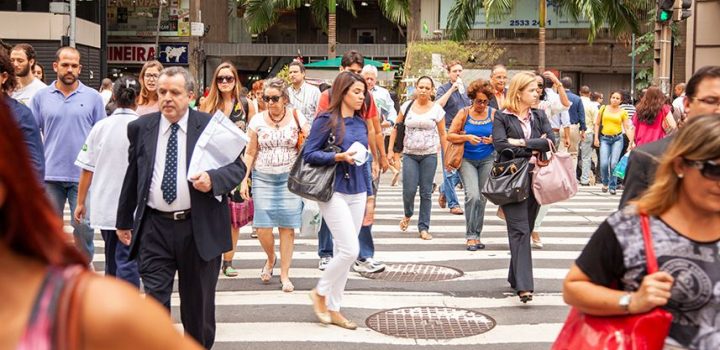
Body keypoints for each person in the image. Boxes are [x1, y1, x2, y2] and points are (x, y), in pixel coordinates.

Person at [0, 99, 202, 350]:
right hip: (119, 210)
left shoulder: (95, 312)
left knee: (120, 259)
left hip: (125, 211)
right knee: (120, 258)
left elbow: (90, 168)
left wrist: (84, 201)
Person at [562, 114, 720, 349]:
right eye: (712, 169)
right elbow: (573, 287)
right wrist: (632, 300)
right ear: (679, 165)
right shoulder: (632, 226)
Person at [116, 67, 245, 348]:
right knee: (154, 302)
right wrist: (123, 219)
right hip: (154, 228)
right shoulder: (141, 127)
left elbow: (237, 168)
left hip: (197, 229)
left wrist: (213, 180)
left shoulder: (210, 127)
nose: (167, 98)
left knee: (197, 309)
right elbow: (133, 174)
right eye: (162, 92)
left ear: (190, 95)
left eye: (174, 92)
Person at [305, 71, 374, 330]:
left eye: (363, 92)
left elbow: (366, 161)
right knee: (350, 250)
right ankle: (320, 292)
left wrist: (370, 196)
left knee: (342, 254)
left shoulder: (361, 123)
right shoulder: (326, 120)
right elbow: (309, 154)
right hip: (332, 190)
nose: (361, 96)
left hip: (357, 190)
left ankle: (334, 308)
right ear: (342, 92)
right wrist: (337, 157)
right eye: (356, 92)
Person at [31, 47, 106, 261]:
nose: (69, 69)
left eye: (74, 65)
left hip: (82, 176)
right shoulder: (41, 97)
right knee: (49, 228)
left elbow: (100, 136)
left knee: (84, 227)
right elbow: (32, 133)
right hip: (50, 175)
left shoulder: (93, 98)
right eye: (65, 64)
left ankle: (83, 265)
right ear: (55, 66)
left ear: (80, 68)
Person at [314, 50, 386, 273]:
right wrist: (334, 156)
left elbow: (373, 128)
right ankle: (326, 254)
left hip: (360, 158)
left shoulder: (365, 95)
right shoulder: (327, 96)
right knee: (332, 210)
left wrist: (379, 158)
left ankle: (363, 255)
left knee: (363, 206)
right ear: (341, 70)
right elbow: (320, 131)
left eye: (358, 72)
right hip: (334, 164)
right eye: (351, 71)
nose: (356, 75)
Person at [239, 78, 308, 292]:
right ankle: (271, 258)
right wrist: (244, 179)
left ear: (285, 99)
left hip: (289, 178)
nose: (270, 102)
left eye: (274, 98)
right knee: (262, 227)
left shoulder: (297, 117)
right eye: (266, 98)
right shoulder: (257, 121)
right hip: (262, 178)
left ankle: (285, 274)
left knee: (287, 228)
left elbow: (309, 142)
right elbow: (250, 152)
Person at [492, 71, 555, 303]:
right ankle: (525, 287)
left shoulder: (539, 115)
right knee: (519, 230)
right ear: (518, 93)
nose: (537, 93)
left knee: (525, 229)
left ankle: (514, 276)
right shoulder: (502, 116)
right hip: (511, 178)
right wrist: (533, 146)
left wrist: (521, 143)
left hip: (535, 178)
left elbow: (550, 143)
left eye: (537, 89)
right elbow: (500, 146)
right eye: (531, 90)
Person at [620, 66, 720, 207]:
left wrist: (632, 142)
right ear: (687, 104)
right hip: (658, 146)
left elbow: (632, 127)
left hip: (644, 145)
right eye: (711, 100)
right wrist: (664, 131)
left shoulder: (639, 110)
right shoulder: (663, 110)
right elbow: (672, 125)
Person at [74, 76, 141, 288]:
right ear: (137, 98)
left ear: (113, 96)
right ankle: (126, 309)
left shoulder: (100, 127)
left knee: (113, 259)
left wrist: (81, 202)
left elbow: (87, 168)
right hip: (133, 207)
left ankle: (112, 304)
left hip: (105, 205)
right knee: (128, 261)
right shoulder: (143, 127)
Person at [202, 62, 255, 277]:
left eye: (229, 78)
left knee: (233, 218)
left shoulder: (246, 105)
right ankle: (212, 256)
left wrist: (246, 175)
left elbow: (251, 143)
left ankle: (228, 260)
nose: (224, 82)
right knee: (213, 214)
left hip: (237, 166)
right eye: (220, 79)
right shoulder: (207, 104)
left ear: (235, 80)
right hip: (213, 165)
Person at [388, 76, 448, 240]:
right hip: (409, 154)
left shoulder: (437, 109)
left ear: (431, 90)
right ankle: (408, 214)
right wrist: (391, 151)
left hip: (429, 155)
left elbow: (443, 134)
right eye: (421, 87)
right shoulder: (406, 106)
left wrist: (447, 154)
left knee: (426, 192)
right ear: (416, 88)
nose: (423, 90)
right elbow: (396, 128)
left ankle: (423, 227)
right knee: (409, 190)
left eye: (427, 88)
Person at [446, 79, 496, 250]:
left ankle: (477, 234)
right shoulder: (464, 113)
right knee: (472, 195)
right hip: (466, 159)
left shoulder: (494, 114)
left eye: (485, 101)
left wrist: (493, 140)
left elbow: (502, 137)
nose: (481, 105)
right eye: (478, 101)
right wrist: (467, 137)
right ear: (472, 99)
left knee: (482, 198)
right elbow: (450, 135)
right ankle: (470, 235)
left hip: (487, 158)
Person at [531, 72, 571, 249]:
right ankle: (522, 227)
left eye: (540, 85)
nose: (537, 89)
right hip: (521, 153)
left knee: (545, 192)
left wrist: (557, 83)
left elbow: (565, 104)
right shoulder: (515, 104)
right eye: (534, 85)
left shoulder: (545, 105)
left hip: (542, 153)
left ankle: (535, 228)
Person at [0, 48, 44, 181]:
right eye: (13, 60)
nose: (16, 64)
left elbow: (34, 166)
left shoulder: (20, 115)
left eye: (20, 60)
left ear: (4, 77)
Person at [436, 60, 470, 215]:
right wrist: (452, 89)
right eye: (455, 71)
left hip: (464, 132)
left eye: (460, 71)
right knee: (449, 168)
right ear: (449, 72)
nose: (458, 74)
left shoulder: (465, 90)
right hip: (448, 131)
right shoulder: (443, 88)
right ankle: (453, 204)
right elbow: (437, 106)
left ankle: (443, 189)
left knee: (463, 168)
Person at [362, 64, 400, 185]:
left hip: (377, 136)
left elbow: (391, 110)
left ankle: (372, 196)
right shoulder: (357, 91)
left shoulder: (383, 93)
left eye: (371, 79)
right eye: (366, 78)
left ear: (376, 79)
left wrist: (389, 121)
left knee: (374, 173)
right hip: (360, 136)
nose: (369, 81)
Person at [594, 91, 635, 195]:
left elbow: (627, 127)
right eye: (613, 97)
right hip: (604, 139)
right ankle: (605, 182)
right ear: (610, 98)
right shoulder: (603, 109)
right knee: (603, 163)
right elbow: (597, 124)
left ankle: (612, 186)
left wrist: (632, 141)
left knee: (613, 164)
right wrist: (596, 138)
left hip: (618, 139)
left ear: (621, 101)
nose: (615, 100)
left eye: (617, 98)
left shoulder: (623, 112)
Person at [560, 76, 586, 171]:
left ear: (561, 85)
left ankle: (562, 176)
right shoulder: (577, 99)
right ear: (571, 86)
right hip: (574, 127)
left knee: (560, 153)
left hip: (560, 127)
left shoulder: (558, 97)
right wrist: (583, 130)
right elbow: (582, 116)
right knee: (573, 154)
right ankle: (572, 176)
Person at [287, 60, 321, 125]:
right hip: (291, 132)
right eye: (290, 72)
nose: (292, 74)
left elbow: (320, 115)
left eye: (295, 72)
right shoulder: (286, 92)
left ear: (303, 74)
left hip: (310, 131)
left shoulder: (314, 91)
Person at [578, 85, 598, 186]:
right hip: (587, 132)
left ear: (579, 92)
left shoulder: (575, 102)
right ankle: (584, 179)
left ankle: (571, 178)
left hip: (573, 131)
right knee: (586, 157)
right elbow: (596, 123)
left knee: (570, 156)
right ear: (589, 93)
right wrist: (596, 137)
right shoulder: (593, 105)